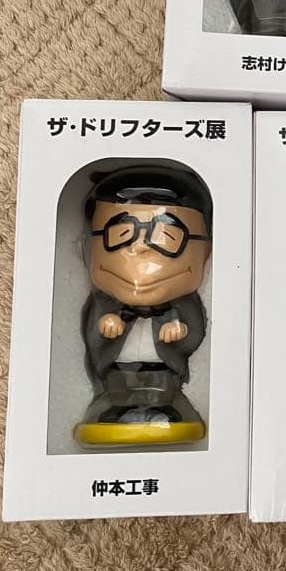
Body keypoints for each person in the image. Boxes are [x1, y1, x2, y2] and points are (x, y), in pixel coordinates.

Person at [75, 166, 211, 446]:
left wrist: (180, 328)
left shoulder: (185, 305)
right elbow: (93, 334)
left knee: (161, 386)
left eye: (167, 238)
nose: (141, 248)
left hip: (163, 367)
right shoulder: (103, 302)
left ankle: (164, 408)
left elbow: (194, 331)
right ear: (88, 250)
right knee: (119, 386)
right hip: (118, 365)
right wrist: (106, 323)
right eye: (121, 234)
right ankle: (117, 409)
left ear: (205, 253)